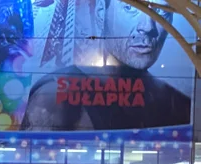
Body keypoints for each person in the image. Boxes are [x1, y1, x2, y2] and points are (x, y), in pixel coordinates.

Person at [22, 0, 190, 131]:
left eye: (162, 11)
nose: (147, 27)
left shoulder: (178, 104)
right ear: (102, 13)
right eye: (130, 8)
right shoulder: (55, 95)